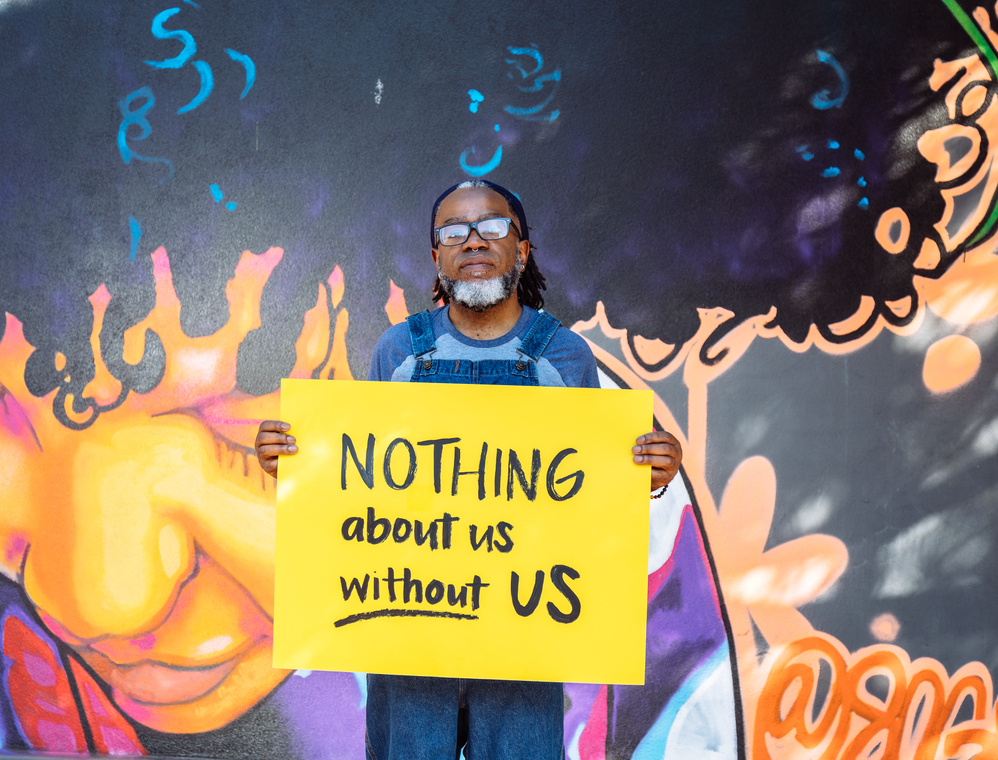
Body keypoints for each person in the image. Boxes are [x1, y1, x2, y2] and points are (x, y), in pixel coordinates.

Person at [255, 179, 682, 760]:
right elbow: (364, 487)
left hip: (524, 638)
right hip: (409, 636)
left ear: (521, 249)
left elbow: (590, 504)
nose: (474, 241)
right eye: (454, 232)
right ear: (437, 256)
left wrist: (647, 477)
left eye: (492, 227)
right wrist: (297, 466)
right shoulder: (398, 352)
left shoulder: (564, 357)